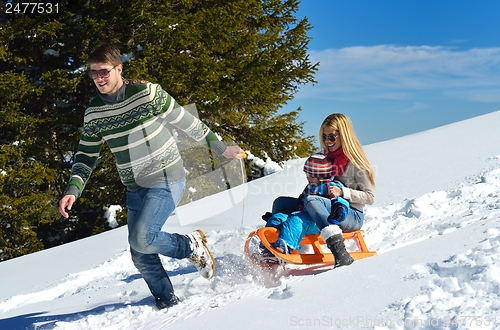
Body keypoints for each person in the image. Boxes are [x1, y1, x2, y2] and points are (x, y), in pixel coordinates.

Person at [58, 43, 244, 310]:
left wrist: (222, 148)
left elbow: (187, 122)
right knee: (141, 255)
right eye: (93, 73)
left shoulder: (147, 93)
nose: (98, 78)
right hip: (135, 187)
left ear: (118, 69)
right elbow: (86, 156)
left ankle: (191, 245)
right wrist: (72, 190)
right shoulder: (95, 113)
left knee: (142, 238)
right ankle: (168, 303)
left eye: (104, 72)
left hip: (167, 176)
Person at [269, 113, 375, 268]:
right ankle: (278, 241)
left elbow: (370, 197)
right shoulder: (325, 158)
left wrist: (343, 193)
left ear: (343, 135)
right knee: (281, 203)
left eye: (332, 137)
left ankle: (338, 250)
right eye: (325, 137)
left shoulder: (355, 163)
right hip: (325, 207)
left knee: (312, 200)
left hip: (349, 214)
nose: (327, 141)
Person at [257, 154, 350, 263]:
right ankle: (266, 248)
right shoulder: (310, 186)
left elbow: (341, 201)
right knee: (277, 217)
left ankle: (283, 248)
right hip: (302, 215)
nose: (307, 178)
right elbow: (301, 201)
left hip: (318, 222)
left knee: (296, 221)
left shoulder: (331, 186)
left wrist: (340, 209)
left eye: (311, 176)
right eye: (307, 175)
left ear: (321, 175)